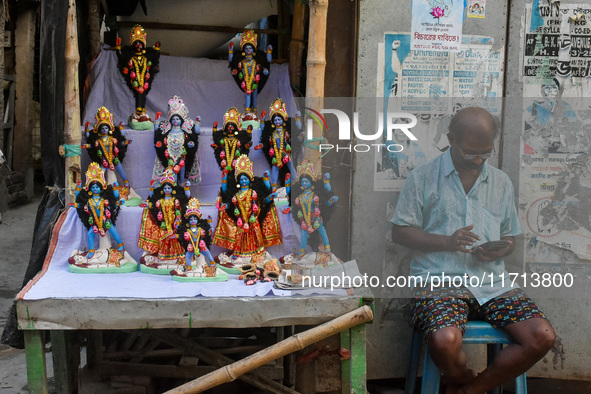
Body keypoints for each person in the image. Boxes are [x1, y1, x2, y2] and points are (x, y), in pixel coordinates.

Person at [391, 107, 555, 394]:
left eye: (485, 152)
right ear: (451, 139)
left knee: (541, 336)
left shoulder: (501, 182)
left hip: (492, 283)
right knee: (444, 341)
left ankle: (470, 391)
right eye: (469, 153)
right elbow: (400, 232)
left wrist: (500, 249)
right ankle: (464, 379)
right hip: (437, 281)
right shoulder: (423, 178)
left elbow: (510, 237)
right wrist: (447, 242)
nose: (478, 160)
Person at [213, 155, 282, 259]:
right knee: (240, 236)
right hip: (241, 220)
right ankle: (239, 253)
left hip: (253, 219)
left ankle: (258, 253)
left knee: (256, 237)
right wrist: (226, 205)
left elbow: (262, 203)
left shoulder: (253, 192)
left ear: (250, 179)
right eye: (241, 179)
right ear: (238, 181)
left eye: (245, 178)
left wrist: (270, 197)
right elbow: (231, 206)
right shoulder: (236, 194)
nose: (244, 180)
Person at [138, 168, 190, 266]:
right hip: (164, 224)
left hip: (174, 224)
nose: (167, 190)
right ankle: (163, 256)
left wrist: (177, 220)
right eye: (165, 188)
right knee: (163, 237)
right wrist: (149, 197)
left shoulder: (175, 200)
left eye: (169, 188)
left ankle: (177, 256)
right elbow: (153, 205)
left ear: (172, 189)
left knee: (174, 238)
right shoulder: (160, 201)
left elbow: (179, 210)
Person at [75, 162, 124, 259]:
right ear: (90, 189)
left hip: (105, 220)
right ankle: (92, 251)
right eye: (93, 187)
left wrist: (115, 188)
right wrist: (77, 188)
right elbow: (78, 198)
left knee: (113, 231)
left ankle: (121, 246)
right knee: (90, 234)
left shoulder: (104, 199)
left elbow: (115, 199)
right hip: (94, 221)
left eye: (97, 187)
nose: (95, 189)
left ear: (101, 188)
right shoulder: (89, 200)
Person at [115, 24, 161, 128]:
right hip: (135, 79)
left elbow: (154, 59)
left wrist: (157, 49)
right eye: (136, 43)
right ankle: (139, 113)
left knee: (142, 92)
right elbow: (122, 60)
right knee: (139, 92)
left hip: (145, 80)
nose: (138, 46)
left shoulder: (146, 57)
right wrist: (118, 49)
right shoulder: (130, 57)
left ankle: (141, 113)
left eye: (140, 44)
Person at [292, 159, 338, 258]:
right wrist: (297, 204)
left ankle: (327, 249)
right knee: (304, 233)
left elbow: (325, 196)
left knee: (322, 230)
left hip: (315, 217)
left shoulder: (314, 194)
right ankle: (302, 251)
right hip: (305, 218)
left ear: (311, 182)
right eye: (303, 181)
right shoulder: (300, 196)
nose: (304, 183)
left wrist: (317, 201)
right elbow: (299, 208)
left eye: (306, 181)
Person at [152, 95, 201, 187]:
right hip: (169, 154)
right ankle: (172, 185)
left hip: (182, 154)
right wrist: (157, 120)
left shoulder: (185, 129)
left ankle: (182, 183)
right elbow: (157, 132)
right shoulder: (167, 129)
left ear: (182, 120)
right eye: (173, 119)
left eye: (177, 119)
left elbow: (196, 133)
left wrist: (197, 123)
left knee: (182, 168)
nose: (175, 121)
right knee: (170, 169)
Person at [83, 106, 131, 198]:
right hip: (103, 160)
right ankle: (100, 189)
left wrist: (121, 129)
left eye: (106, 128)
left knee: (122, 173)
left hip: (114, 158)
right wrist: (86, 129)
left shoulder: (112, 139)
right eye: (102, 129)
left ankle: (128, 187)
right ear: (99, 130)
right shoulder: (98, 140)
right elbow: (89, 138)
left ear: (109, 129)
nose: (105, 130)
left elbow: (122, 138)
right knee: (100, 174)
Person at [228, 29, 272, 120]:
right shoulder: (243, 61)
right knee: (247, 95)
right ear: (243, 49)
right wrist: (230, 50)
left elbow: (268, 62)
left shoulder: (256, 61)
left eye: (250, 48)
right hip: (246, 81)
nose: (248, 50)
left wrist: (269, 52)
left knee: (255, 96)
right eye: (247, 48)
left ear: (254, 49)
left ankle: (254, 112)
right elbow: (232, 61)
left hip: (254, 80)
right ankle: (247, 112)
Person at [258, 98, 298, 191]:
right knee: (275, 168)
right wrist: (262, 122)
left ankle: (296, 181)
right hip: (276, 153)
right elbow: (263, 133)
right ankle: (274, 186)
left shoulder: (285, 132)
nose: (277, 122)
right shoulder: (273, 133)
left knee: (291, 166)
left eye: (279, 119)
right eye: (275, 120)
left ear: (283, 120)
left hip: (284, 151)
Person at [177, 197, 216, 275]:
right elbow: (179, 231)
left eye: (195, 219)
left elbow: (209, 232)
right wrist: (178, 223)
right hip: (192, 246)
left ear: (198, 219)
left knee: (208, 253)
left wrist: (210, 223)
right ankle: (188, 268)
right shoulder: (187, 229)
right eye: (191, 219)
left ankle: (212, 265)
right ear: (188, 220)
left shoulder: (200, 228)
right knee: (188, 256)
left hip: (200, 245)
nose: (193, 221)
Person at [211, 107, 252, 176]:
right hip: (225, 158)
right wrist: (214, 129)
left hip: (236, 158)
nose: (230, 128)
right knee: (225, 175)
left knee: (237, 174)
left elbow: (247, 139)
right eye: (228, 127)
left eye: (232, 127)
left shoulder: (239, 137)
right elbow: (216, 139)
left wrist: (249, 132)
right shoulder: (223, 137)